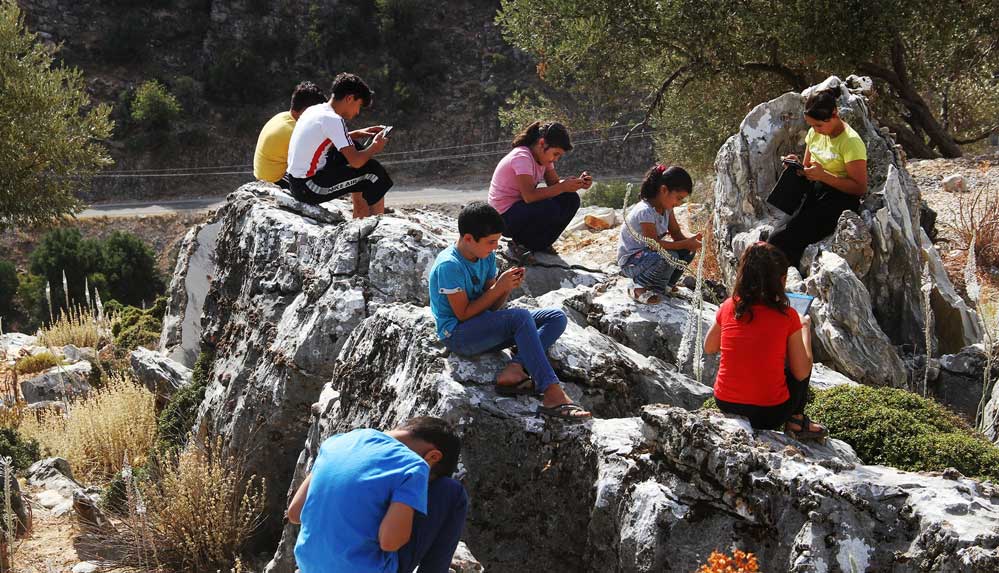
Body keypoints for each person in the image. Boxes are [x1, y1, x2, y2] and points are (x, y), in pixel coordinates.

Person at [428, 201, 591, 421]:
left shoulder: (486, 256)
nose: (495, 247)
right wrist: (498, 288)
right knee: (520, 317)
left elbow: (493, 306)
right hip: (458, 335)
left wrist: (505, 288)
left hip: (481, 324)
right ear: (468, 238)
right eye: (491, 241)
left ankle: (516, 367)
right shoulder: (450, 265)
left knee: (555, 318)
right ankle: (552, 392)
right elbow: (463, 315)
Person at [288, 416, 468, 573]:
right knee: (451, 490)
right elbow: (390, 542)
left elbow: (295, 513)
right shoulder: (415, 466)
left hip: (309, 567)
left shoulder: (336, 442)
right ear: (433, 457)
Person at [703, 242, 827, 439]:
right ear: (781, 280)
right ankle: (796, 421)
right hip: (769, 413)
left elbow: (709, 347)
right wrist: (804, 327)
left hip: (726, 403)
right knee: (801, 359)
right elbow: (801, 372)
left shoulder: (729, 306)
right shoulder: (788, 315)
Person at [768, 86, 869, 267]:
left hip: (839, 200)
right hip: (815, 190)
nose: (815, 130)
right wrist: (796, 164)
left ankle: (787, 278)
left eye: (819, 125)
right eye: (811, 125)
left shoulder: (851, 142)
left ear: (834, 114)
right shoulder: (815, 133)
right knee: (775, 235)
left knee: (786, 239)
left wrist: (825, 176)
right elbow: (807, 166)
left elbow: (860, 187)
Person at [285, 72, 393, 219]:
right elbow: (356, 162)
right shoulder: (333, 119)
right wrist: (375, 146)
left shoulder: (316, 110)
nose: (357, 112)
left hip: (296, 182)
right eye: (358, 105)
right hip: (309, 188)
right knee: (373, 172)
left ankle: (361, 215)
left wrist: (357, 133)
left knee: (354, 147)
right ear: (349, 98)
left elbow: (322, 142)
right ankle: (377, 226)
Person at [487, 121, 592, 260]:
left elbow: (554, 184)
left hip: (521, 210)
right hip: (503, 217)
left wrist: (576, 184)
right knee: (549, 206)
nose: (555, 159)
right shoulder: (522, 157)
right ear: (542, 143)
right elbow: (529, 196)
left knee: (571, 199)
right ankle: (520, 244)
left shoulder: (544, 159)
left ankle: (540, 244)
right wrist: (562, 186)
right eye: (555, 154)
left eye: (558, 156)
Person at [617, 164, 702, 304]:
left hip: (648, 257)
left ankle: (667, 285)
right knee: (669, 256)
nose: (679, 203)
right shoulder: (645, 211)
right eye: (678, 198)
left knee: (688, 251)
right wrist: (685, 243)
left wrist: (692, 242)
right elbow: (653, 244)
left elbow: (676, 233)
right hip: (632, 262)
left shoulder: (667, 209)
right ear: (664, 190)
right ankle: (638, 287)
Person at [253, 81, 327, 188]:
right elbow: (323, 148)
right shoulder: (293, 131)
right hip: (275, 182)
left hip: (262, 177)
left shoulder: (283, 116)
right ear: (306, 110)